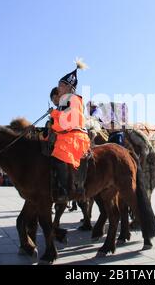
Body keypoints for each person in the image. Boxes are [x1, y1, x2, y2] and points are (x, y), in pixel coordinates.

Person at [49, 59, 91, 202]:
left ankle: (66, 190)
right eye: (59, 85)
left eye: (60, 85)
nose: (58, 88)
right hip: (67, 136)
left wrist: (54, 114)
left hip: (75, 137)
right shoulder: (64, 100)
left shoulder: (73, 99)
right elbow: (57, 126)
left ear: (68, 87)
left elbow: (66, 121)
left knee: (58, 156)